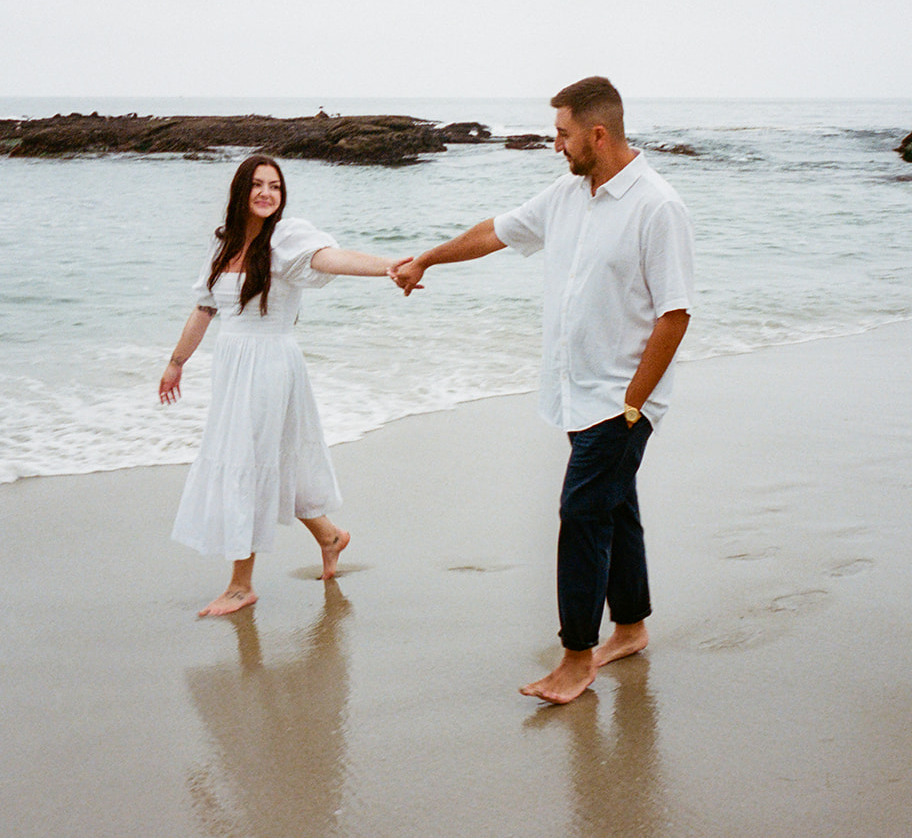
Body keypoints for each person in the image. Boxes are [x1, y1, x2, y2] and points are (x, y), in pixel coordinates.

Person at [390, 77, 694, 704]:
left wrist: (633, 402)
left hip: (621, 399)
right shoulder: (566, 195)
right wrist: (426, 258)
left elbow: (675, 313)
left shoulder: (658, 207)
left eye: (562, 134)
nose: (555, 145)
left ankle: (576, 658)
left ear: (597, 134)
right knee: (614, 506)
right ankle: (630, 627)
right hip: (576, 391)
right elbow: (495, 232)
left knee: (581, 515)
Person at [160, 154, 408, 617]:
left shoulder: (286, 237)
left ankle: (240, 586)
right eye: (258, 184)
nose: (266, 193)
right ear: (241, 191)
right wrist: (176, 363)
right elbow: (205, 309)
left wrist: (388, 266)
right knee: (269, 459)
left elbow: (329, 258)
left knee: (249, 464)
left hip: (270, 365)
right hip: (232, 367)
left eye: (274, 186)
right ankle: (330, 537)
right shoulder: (223, 244)